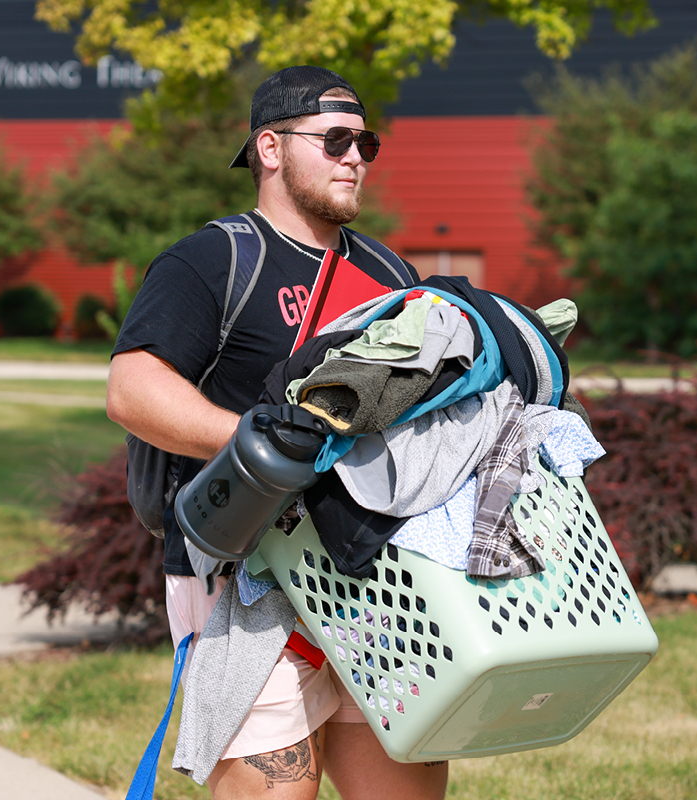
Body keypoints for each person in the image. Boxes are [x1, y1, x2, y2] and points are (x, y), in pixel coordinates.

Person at [107, 66, 449, 800]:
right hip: (246, 575)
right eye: (335, 140)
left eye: (366, 143)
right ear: (270, 147)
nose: (355, 156)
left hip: (374, 574)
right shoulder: (214, 261)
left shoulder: (392, 274)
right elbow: (134, 391)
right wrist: (267, 450)